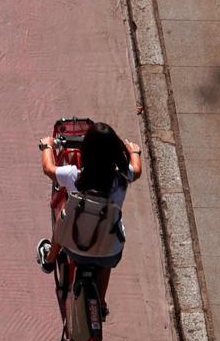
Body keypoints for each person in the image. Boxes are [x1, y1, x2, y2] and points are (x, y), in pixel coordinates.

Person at [37, 122, 142, 314]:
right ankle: (100, 303)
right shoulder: (121, 178)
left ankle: (50, 260)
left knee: (64, 221)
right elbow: (137, 169)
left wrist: (47, 146)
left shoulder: (73, 176)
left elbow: (48, 168)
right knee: (106, 255)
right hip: (108, 251)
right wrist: (134, 152)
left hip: (73, 247)